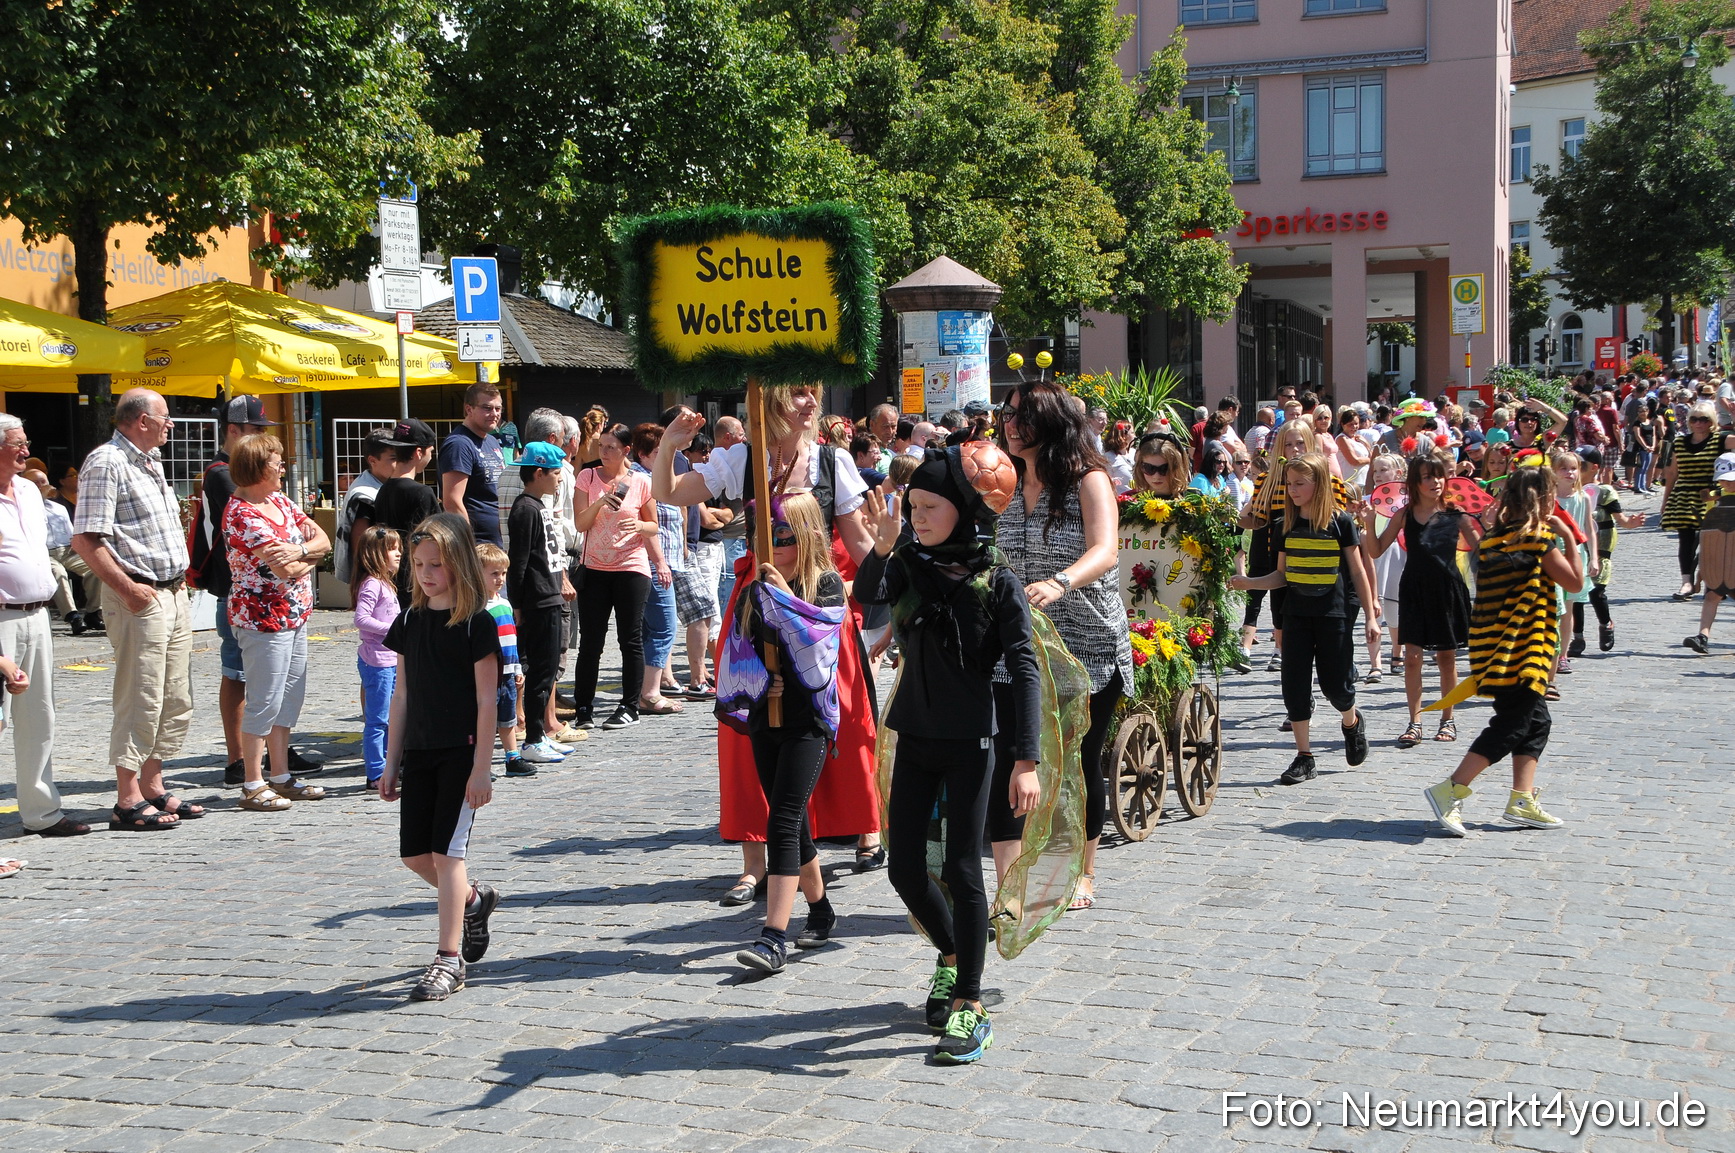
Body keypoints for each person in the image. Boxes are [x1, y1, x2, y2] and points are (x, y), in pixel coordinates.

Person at [654, 388, 882, 898]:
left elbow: (861, 544)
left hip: (817, 605)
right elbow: (670, 494)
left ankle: (865, 825)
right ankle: (754, 860)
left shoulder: (832, 461)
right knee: (747, 725)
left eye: (813, 393)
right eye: (798, 393)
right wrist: (670, 445)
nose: (809, 402)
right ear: (772, 400)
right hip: (756, 603)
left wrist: (897, 569)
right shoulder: (743, 457)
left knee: (846, 717)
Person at [855, 444, 1038, 1065]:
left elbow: (1024, 667)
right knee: (904, 869)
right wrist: (882, 548)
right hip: (914, 734)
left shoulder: (996, 579)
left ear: (964, 508)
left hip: (972, 741)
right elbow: (868, 594)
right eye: (913, 507)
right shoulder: (909, 562)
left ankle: (970, 1004)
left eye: (931, 507)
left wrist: (1027, 761)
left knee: (962, 868)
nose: (919, 517)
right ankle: (954, 953)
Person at [988, 382, 1128, 909]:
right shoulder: (1000, 480)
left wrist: (1060, 582)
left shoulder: (1087, 479)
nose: (1009, 423)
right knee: (1010, 756)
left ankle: (1083, 871)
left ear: (1051, 423)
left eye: (1021, 415)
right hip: (1017, 643)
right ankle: (1011, 886)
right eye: (1007, 414)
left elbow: (1106, 549)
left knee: (1076, 760)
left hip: (1087, 642)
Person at [379, 513, 504, 1001]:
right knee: (415, 855)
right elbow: (401, 695)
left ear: (459, 564)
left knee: (447, 855)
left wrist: (482, 768)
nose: (425, 573)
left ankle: (448, 960)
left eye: (436, 564)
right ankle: (472, 900)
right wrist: (391, 761)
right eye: (418, 564)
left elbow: (488, 701)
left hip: (461, 753)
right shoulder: (409, 620)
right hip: (419, 752)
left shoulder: (476, 624)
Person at [722, 494, 847, 973]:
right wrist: (758, 679)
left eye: (783, 537)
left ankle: (773, 937)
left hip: (807, 720)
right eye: (766, 538)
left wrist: (784, 600)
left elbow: (820, 647)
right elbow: (738, 649)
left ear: (809, 536)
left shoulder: (825, 585)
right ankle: (821, 909)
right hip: (765, 718)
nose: (773, 548)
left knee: (783, 818)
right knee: (791, 823)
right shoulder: (754, 588)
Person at [1424, 465, 1583, 836]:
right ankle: (1450, 789)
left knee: (1536, 721)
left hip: (1495, 648)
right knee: (1512, 725)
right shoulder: (1539, 541)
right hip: (1525, 651)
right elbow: (1575, 582)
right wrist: (1569, 538)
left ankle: (1521, 799)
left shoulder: (1494, 539)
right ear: (1544, 499)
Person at [72, 389, 198, 831]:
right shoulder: (107, 462)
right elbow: (86, 540)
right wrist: (129, 590)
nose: (171, 425)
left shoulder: (150, 461)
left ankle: (152, 784)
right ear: (142, 420)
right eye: (165, 417)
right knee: (140, 694)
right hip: (140, 595)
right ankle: (126, 799)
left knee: (175, 695)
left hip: (172, 592)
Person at [1231, 453, 1374, 784]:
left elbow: (1357, 571)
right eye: (1289, 484)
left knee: (1337, 687)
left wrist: (1370, 616)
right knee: (1294, 687)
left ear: (1319, 484)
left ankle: (1351, 722)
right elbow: (1280, 575)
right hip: (1295, 614)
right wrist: (1249, 582)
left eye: (1299, 483)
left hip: (1333, 614)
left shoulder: (1341, 523)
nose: (1292, 490)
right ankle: (1304, 756)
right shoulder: (1284, 525)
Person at [189, 396, 305, 788]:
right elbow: (277, 552)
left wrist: (302, 552)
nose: (260, 437)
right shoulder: (225, 477)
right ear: (234, 430)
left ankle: (275, 761)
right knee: (241, 677)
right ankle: (240, 763)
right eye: (255, 430)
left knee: (275, 685)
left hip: (282, 602)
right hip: (243, 596)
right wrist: (302, 555)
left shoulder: (272, 493)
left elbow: (305, 539)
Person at [221, 434, 331, 813]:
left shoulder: (279, 500)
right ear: (257, 468)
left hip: (295, 613)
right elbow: (284, 570)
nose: (283, 467)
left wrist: (301, 551)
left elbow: (323, 540)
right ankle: (252, 783)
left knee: (290, 696)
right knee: (264, 699)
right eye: (277, 462)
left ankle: (281, 774)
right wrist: (306, 559)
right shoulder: (242, 514)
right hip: (262, 619)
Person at [0, 416, 86, 837]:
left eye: (25, 441)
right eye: (17, 443)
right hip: (1, 618)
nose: (26, 450)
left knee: (39, 718)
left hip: (37, 617)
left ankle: (41, 813)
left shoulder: (30, 492)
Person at [1360, 450, 1477, 746]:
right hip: (1413, 590)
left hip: (1447, 590)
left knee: (1446, 658)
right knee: (1412, 659)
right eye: (1427, 477)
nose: (1435, 482)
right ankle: (1415, 721)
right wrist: (1370, 523)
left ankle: (1448, 719)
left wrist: (1489, 524)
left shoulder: (1456, 515)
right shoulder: (1404, 514)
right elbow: (1375, 550)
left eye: (1439, 476)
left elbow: (1483, 549)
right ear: (1415, 482)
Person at [572, 423, 657, 730]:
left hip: (631, 567)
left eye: (611, 447)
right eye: (601, 446)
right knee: (591, 641)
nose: (604, 452)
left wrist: (640, 526)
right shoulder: (587, 476)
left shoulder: (641, 481)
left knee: (629, 638)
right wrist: (599, 502)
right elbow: (580, 524)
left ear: (626, 450)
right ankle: (583, 708)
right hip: (595, 568)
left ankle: (630, 706)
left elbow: (653, 526)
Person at [508, 441, 577, 762]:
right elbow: (518, 562)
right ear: (538, 473)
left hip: (550, 596)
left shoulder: (538, 506)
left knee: (547, 670)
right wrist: (517, 606)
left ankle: (540, 735)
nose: (559, 478)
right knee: (538, 672)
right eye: (555, 473)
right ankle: (533, 739)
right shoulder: (525, 509)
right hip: (536, 601)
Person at [632, 423, 685, 716]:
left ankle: (645, 689)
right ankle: (649, 693)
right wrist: (660, 563)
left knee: (651, 628)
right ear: (642, 454)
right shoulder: (641, 479)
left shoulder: (658, 476)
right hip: (652, 563)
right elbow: (645, 527)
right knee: (664, 627)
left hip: (663, 562)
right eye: (657, 452)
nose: (665, 456)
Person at [675, 433, 728, 696]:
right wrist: (685, 544)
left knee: (707, 610)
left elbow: (729, 512)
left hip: (702, 547)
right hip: (695, 548)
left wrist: (721, 516)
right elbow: (706, 517)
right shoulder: (682, 467)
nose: (707, 456)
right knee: (705, 610)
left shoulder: (704, 475)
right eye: (702, 451)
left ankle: (705, 672)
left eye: (709, 451)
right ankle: (705, 674)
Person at [477, 543, 535, 777]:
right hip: (488, 675)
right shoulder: (477, 608)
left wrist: (517, 667)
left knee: (507, 718)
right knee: (485, 719)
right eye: (494, 573)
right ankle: (481, 762)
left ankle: (512, 756)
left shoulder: (505, 604)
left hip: (508, 673)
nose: (500, 579)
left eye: (503, 573)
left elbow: (511, 640)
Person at [352, 526, 403, 787]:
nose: (398, 554)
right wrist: (394, 629)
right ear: (375, 554)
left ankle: (388, 767)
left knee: (392, 718)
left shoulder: (386, 584)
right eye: (392, 549)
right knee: (378, 720)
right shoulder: (372, 584)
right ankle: (375, 772)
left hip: (392, 660)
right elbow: (361, 619)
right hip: (377, 662)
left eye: (399, 549)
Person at [373, 419, 441, 606]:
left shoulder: (383, 490)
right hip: (417, 579)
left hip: (390, 575)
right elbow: (433, 537)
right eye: (430, 452)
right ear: (419, 452)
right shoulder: (422, 493)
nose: (430, 457)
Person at [1662, 403, 1723, 600]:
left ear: (1711, 421)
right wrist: (1665, 500)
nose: (1698, 423)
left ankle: (1713, 582)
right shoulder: (1679, 442)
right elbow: (1672, 473)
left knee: (1712, 542)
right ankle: (1686, 582)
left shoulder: (1720, 440)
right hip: (1684, 495)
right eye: (1694, 419)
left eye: (1704, 419)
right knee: (1686, 541)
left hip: (1710, 496)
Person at [1549, 451, 1596, 682]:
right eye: (1563, 468)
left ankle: (1563, 655)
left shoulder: (1583, 498)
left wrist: (1594, 557)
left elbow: (1589, 529)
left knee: (1568, 609)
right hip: (1554, 555)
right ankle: (1551, 651)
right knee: (1556, 608)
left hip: (1576, 556)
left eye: (1573, 468)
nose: (1569, 473)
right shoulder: (1549, 498)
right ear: (1553, 472)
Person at [439, 382, 506, 546]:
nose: (494, 414)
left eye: (498, 409)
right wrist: (468, 545)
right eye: (487, 408)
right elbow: (452, 502)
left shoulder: (492, 441)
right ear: (469, 409)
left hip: (498, 543)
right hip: (477, 543)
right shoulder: (459, 444)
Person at [1683, 452, 1735, 653]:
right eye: (1724, 480)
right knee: (1712, 595)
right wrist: (1702, 568)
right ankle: (1702, 636)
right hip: (1719, 557)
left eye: (1731, 480)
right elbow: (1709, 532)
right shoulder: (1713, 498)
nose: (1727, 484)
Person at [336, 427, 396, 585]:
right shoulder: (363, 494)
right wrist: (371, 580)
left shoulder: (386, 484)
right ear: (372, 460)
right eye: (393, 458)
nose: (399, 463)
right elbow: (360, 543)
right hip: (374, 579)